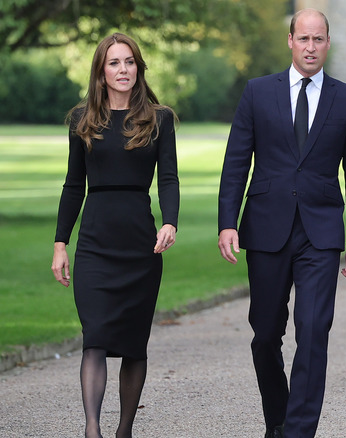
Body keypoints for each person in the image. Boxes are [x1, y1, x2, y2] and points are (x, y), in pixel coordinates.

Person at [217, 8, 346, 438]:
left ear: (327, 43)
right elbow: (235, 163)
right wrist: (227, 222)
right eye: (303, 39)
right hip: (266, 227)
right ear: (290, 41)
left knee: (314, 329)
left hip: (320, 232)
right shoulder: (257, 92)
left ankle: (299, 430)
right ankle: (279, 418)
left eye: (318, 39)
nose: (310, 47)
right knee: (265, 334)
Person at [51, 32, 179, 438]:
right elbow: (73, 186)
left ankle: (123, 430)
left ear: (139, 68)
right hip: (94, 243)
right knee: (95, 339)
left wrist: (170, 221)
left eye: (129, 62)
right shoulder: (81, 120)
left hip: (140, 243)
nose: (123, 70)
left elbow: (170, 180)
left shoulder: (158, 119)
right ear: (101, 71)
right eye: (114, 63)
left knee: (134, 344)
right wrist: (60, 244)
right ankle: (93, 430)